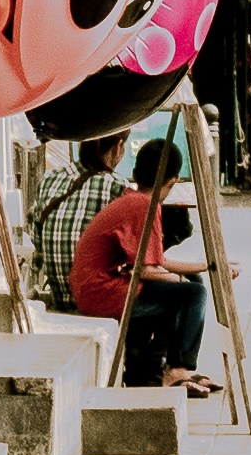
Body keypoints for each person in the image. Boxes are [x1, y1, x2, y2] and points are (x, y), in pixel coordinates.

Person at [69, 136, 215, 390]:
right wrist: (180, 280)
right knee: (194, 293)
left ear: (135, 174)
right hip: (101, 293)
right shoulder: (144, 206)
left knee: (192, 283)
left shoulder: (132, 199)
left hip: (98, 288)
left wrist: (205, 266)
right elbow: (148, 271)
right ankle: (178, 368)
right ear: (173, 181)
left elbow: (156, 261)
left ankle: (148, 369)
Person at [26, 132, 121, 310]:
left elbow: (37, 242)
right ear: (118, 147)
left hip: (60, 303)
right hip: (97, 307)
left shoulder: (49, 179)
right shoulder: (118, 186)